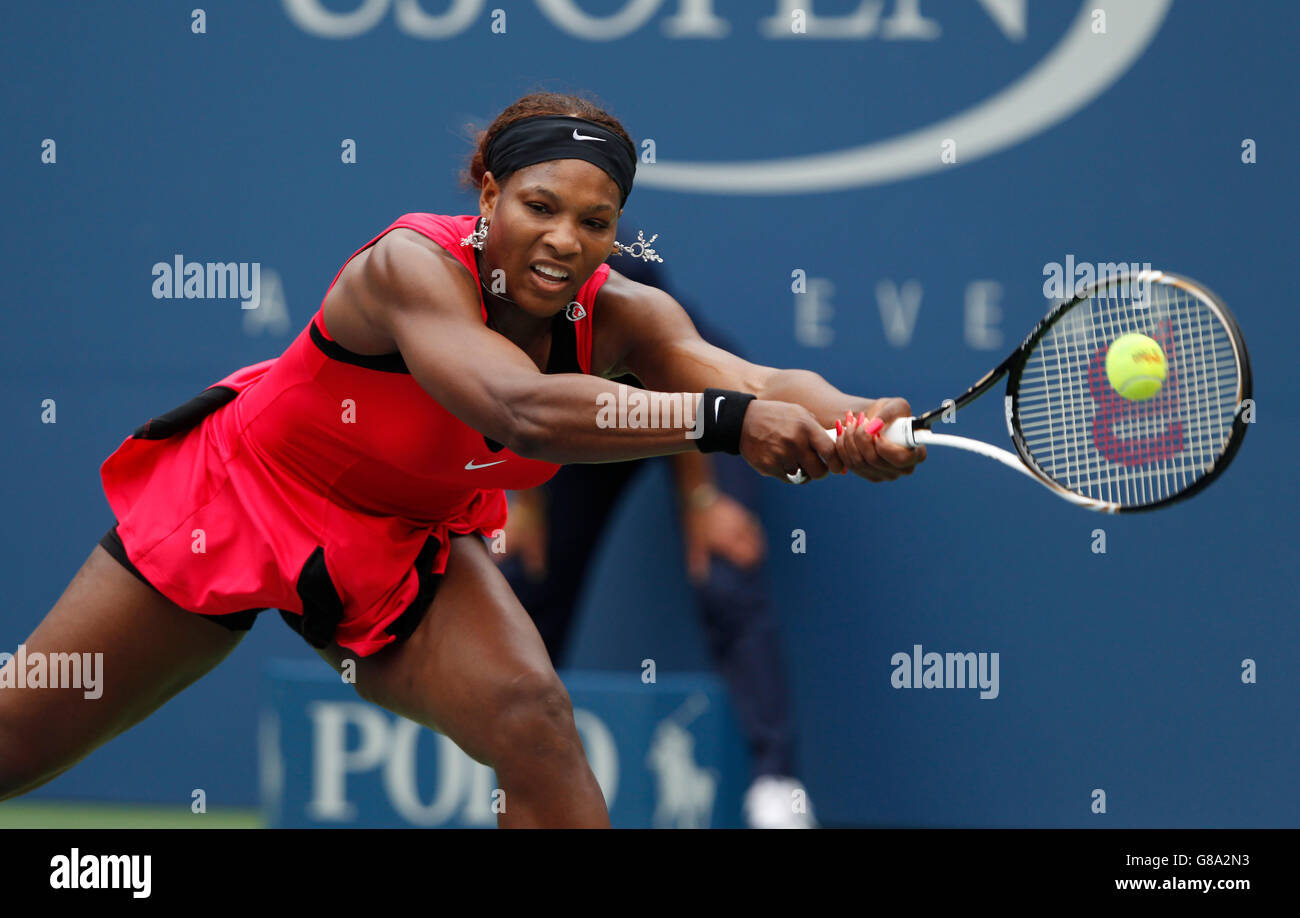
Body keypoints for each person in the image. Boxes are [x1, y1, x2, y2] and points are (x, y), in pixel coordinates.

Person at [0, 91, 925, 829]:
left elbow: (750, 374)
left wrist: (855, 419)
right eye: (540, 207)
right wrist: (727, 424)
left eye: (597, 222)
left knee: (534, 721)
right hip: (238, 497)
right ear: (486, 192)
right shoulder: (410, 264)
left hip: (400, 544)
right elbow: (518, 409)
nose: (566, 240)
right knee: (16, 746)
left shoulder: (624, 311)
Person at [497, 251, 818, 828]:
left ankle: (778, 786)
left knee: (724, 576)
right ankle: (519, 779)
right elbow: (521, 407)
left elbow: (677, 391)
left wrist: (702, 503)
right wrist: (526, 507)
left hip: (701, 400)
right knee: (528, 574)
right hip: (587, 416)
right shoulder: (493, 290)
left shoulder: (619, 277)